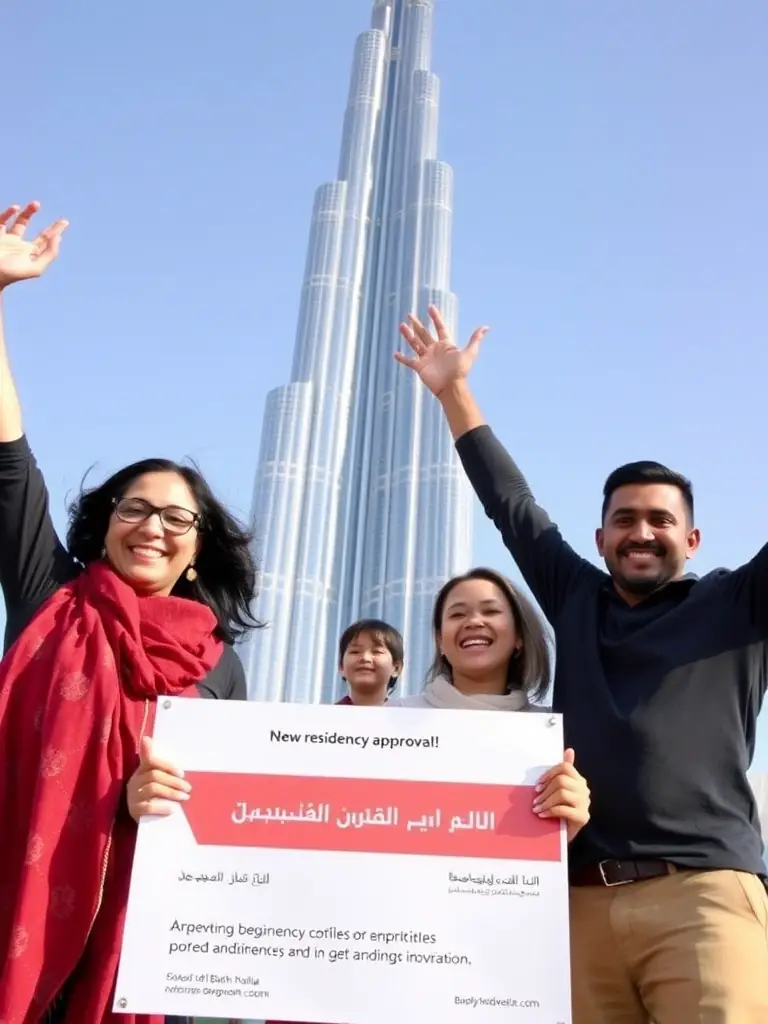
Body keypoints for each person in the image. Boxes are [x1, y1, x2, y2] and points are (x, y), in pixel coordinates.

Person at [395, 304, 768, 1023]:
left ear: (692, 538)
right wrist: (452, 392)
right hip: (575, 904)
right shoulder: (577, 598)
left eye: (660, 520)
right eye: (625, 519)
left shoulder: (741, 603)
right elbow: (513, 507)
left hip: (703, 894)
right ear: (600, 538)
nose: (642, 532)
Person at [0, 202, 260, 1024]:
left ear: (198, 550)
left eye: (176, 518)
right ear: (106, 524)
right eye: (134, 508)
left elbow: (233, 810)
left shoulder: (220, 664)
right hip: (20, 907)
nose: (153, 526)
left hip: (149, 939)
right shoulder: (53, 596)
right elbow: (9, 465)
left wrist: (160, 797)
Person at [336, 618, 403, 705]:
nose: (365, 658)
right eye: (355, 652)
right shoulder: (325, 717)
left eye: (377, 651)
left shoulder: (405, 717)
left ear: (396, 668)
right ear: (341, 666)